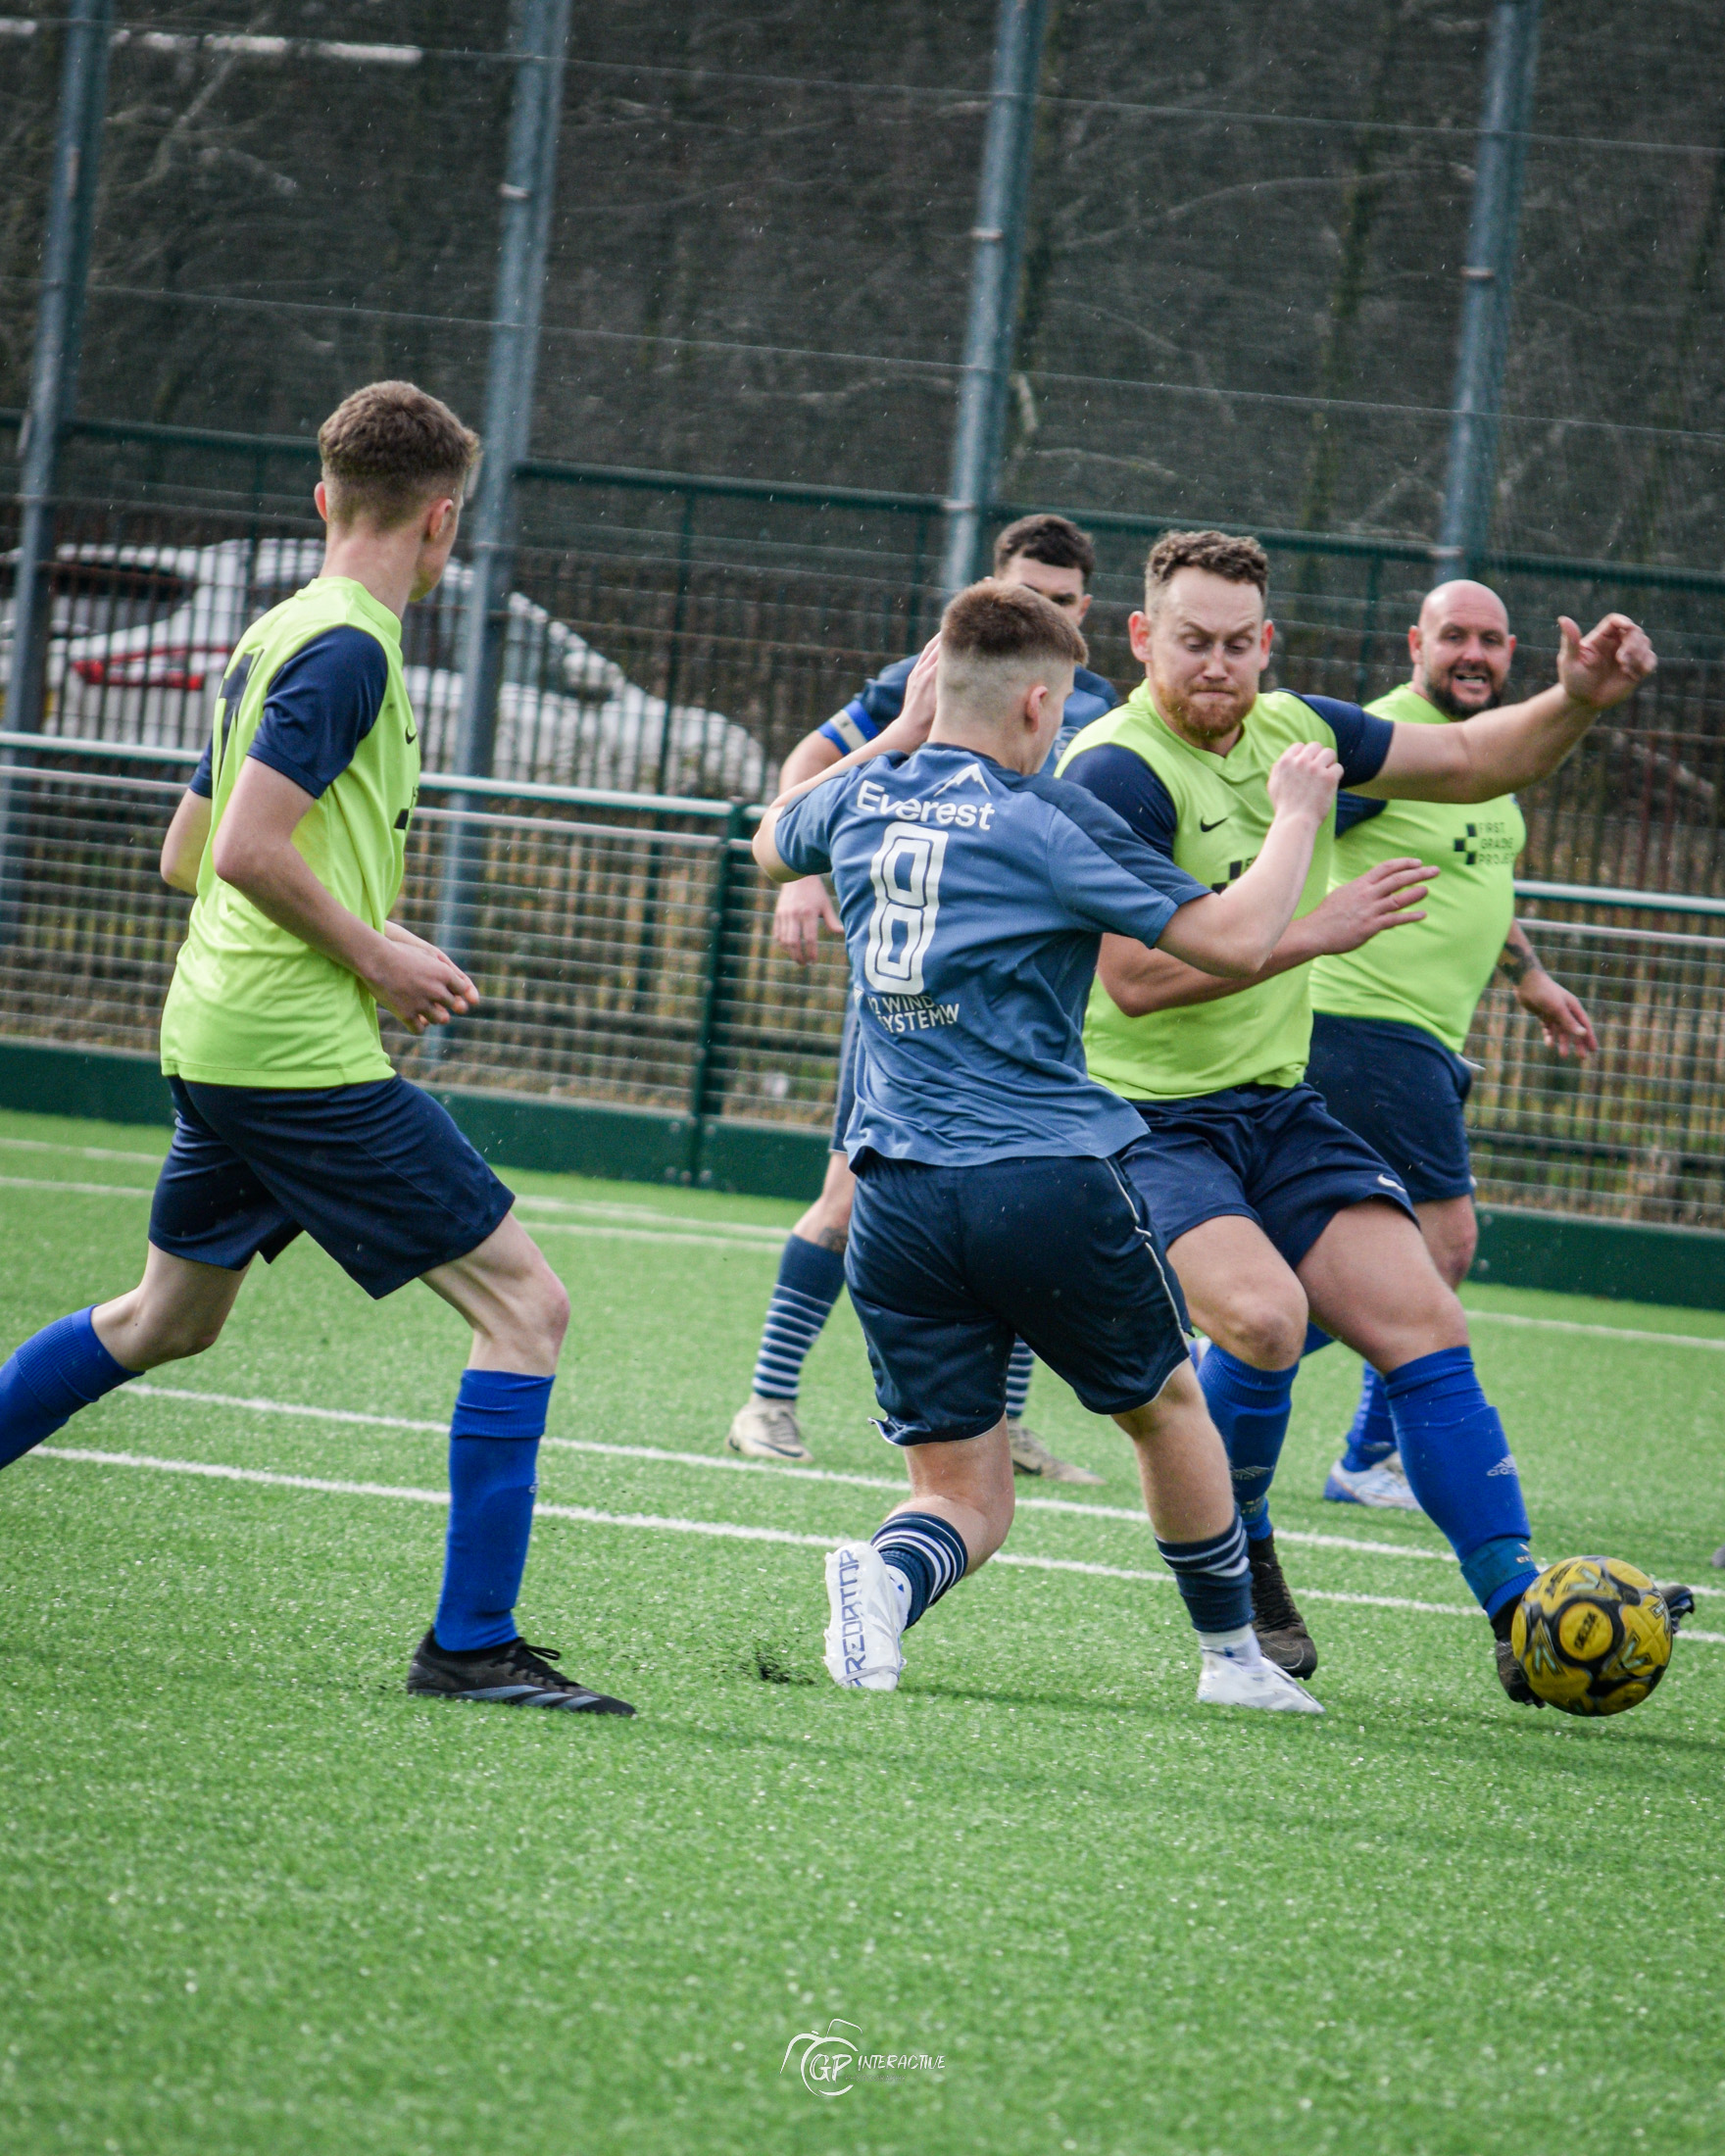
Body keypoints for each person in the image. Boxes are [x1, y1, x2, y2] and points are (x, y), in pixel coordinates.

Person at [0, 381, 633, 1716]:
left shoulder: (276, 633)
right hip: (291, 1052)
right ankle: (471, 1646)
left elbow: (187, 855)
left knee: (164, 1319)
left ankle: (475, 1639)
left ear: (321, 497)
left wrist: (358, 922)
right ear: (445, 520)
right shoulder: (351, 650)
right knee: (528, 1306)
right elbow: (237, 852)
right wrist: (374, 950)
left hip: (222, 1033)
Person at [1058, 531, 1685, 1702]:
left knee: (1424, 1322)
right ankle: (1242, 1560)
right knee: (1262, 1320)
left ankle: (1522, 1611)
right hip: (1143, 1118)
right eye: (1192, 643)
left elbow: (1466, 758)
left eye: (1240, 644)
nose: (1218, 667)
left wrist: (1577, 699)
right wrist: (1314, 928)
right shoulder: (1115, 771)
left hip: (1275, 1105)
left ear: (1267, 643)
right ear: (1141, 638)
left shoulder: (1297, 727)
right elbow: (1131, 979)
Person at [754, 577, 1351, 1713]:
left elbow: (766, 849)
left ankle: (878, 1581)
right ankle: (1233, 1660)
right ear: (1038, 706)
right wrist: (1292, 818)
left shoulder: (865, 795)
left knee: (962, 1492)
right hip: (1039, 1179)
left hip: (892, 1197)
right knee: (1165, 1408)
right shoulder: (1044, 815)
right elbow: (1226, 941)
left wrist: (895, 731)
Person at [727, 514, 1117, 1482]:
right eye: (1026, 592)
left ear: (1084, 609)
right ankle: (767, 1399)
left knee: (1036, 1178)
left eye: (1060, 601)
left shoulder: (1097, 701)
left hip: (1029, 997)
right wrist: (803, 877)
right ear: (992, 587)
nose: (1040, 610)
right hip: (917, 991)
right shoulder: (934, 673)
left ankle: (1007, 1421)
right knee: (849, 1190)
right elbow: (804, 778)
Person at [1305, 580, 1598, 1510]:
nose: (1474, 654)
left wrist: (1531, 978)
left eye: (1492, 641)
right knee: (1443, 1241)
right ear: (1414, 644)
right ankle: (1355, 1448)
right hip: (1359, 1024)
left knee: (1383, 1255)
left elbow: (1475, 876)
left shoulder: (1486, 758)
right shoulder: (1383, 744)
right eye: (1454, 637)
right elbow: (1290, 846)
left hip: (1419, 1039)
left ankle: (1238, 1351)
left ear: (1514, 654)